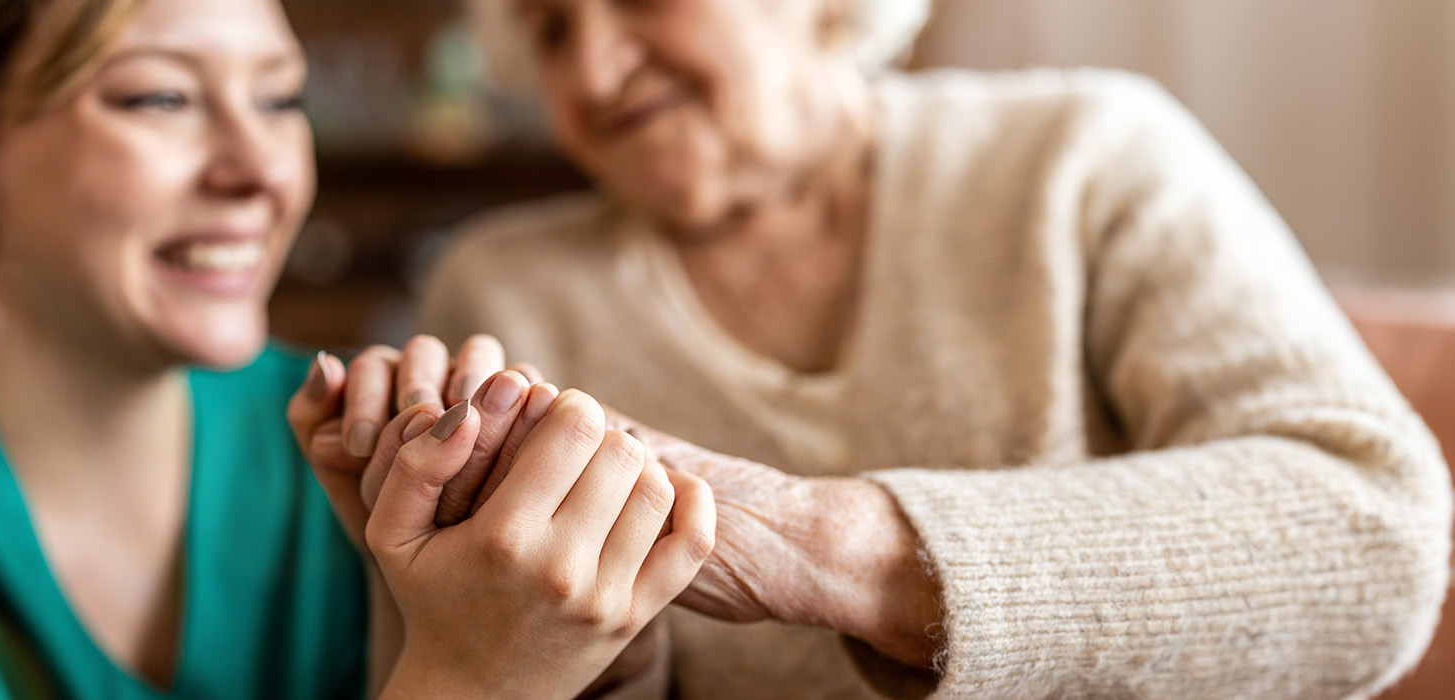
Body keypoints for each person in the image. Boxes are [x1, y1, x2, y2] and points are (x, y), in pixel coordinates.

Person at [0, 0, 713, 698]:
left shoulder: (371, 455)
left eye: (280, 98)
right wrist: (480, 680)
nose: (260, 169)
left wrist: (614, 661)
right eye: (162, 95)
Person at [420, 0, 1453, 697]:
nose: (593, 68)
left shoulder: (1083, 153)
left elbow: (1373, 526)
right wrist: (592, 640)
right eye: (550, 31)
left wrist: (814, 544)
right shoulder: (503, 288)